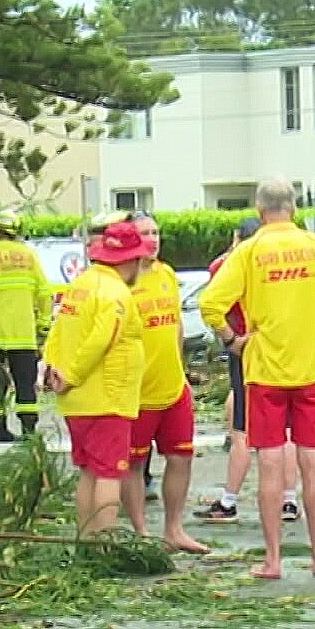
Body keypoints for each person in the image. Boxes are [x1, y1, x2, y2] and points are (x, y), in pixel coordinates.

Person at [200, 179, 315, 579]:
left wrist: (233, 339)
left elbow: (209, 302)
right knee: (313, 463)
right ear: (294, 208)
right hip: (310, 367)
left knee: (269, 462)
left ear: (258, 210)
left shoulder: (249, 252)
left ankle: (273, 561)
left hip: (264, 368)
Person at [41, 219, 151, 535]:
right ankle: (104, 542)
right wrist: (73, 375)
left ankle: (86, 541)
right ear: (130, 260)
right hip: (107, 398)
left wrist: (52, 371)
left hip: (76, 401)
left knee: (88, 473)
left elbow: (58, 331)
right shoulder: (116, 293)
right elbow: (104, 337)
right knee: (109, 474)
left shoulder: (81, 284)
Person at [196, 217, 300, 525]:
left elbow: (212, 303)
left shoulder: (231, 264)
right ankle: (289, 500)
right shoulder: (283, 264)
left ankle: (229, 500)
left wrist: (230, 338)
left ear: (237, 237)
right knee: (288, 430)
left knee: (242, 429)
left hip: (245, 348)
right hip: (284, 349)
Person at [117, 214, 210, 554]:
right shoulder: (122, 282)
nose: (153, 239)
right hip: (138, 392)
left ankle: (174, 529)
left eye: (156, 232)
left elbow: (177, 328)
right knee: (135, 464)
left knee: (181, 458)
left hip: (173, 387)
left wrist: (183, 373)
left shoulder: (167, 274)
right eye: (145, 233)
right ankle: (141, 532)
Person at [0, 210, 51, 443]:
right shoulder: (28, 256)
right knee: (25, 388)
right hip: (23, 335)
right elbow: (44, 294)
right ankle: (29, 433)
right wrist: (43, 326)